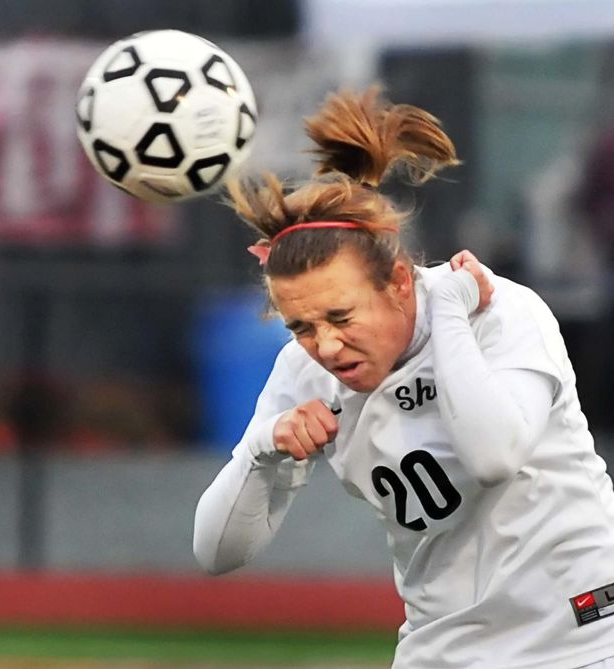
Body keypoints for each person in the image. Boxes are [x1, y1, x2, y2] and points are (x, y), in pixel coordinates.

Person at [193, 88, 614, 668]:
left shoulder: (496, 313)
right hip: (443, 647)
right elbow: (216, 552)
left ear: (397, 282)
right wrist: (265, 450)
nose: (327, 345)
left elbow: (494, 456)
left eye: (341, 316)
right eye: (302, 326)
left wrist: (446, 314)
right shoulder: (304, 370)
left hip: (585, 635)